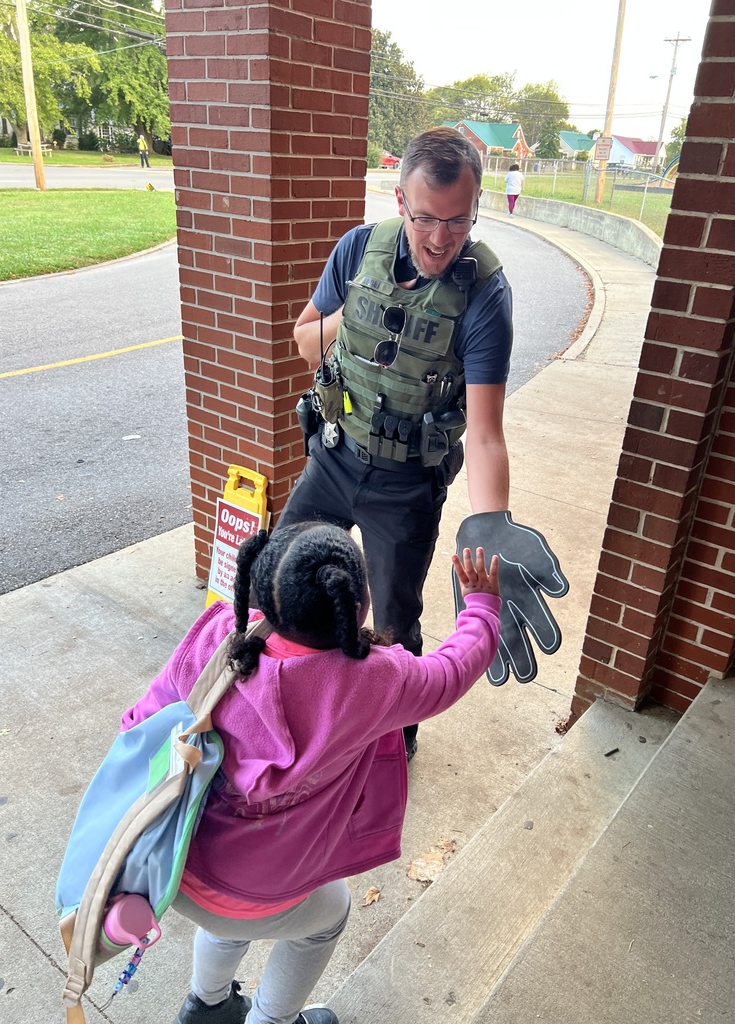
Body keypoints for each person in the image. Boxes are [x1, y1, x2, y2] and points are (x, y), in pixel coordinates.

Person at [120, 522, 501, 1024]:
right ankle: (271, 1020)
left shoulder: (217, 636)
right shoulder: (376, 682)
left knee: (232, 909)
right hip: (260, 887)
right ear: (357, 602)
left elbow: (139, 724)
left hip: (175, 869)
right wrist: (482, 607)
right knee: (328, 915)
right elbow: (451, 672)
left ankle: (206, 1005)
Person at [279, 126, 513, 761]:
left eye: (459, 221)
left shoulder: (484, 295)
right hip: (332, 456)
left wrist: (491, 527)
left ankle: (391, 747)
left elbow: (487, 434)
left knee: (395, 624)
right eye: (426, 219)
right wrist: (360, 312)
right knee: (280, 577)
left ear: (475, 206)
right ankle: (288, 698)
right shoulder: (359, 251)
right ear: (400, 202)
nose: (441, 239)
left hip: (405, 484)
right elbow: (304, 342)